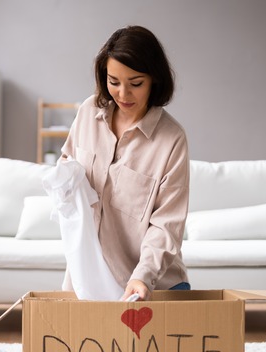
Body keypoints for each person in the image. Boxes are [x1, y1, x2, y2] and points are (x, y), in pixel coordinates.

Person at [60, 25, 190, 302]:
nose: (123, 94)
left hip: (150, 287)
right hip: (87, 281)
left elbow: (167, 225)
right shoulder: (88, 112)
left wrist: (143, 275)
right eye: (114, 81)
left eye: (135, 83)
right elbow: (66, 164)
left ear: (154, 79)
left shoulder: (171, 140)